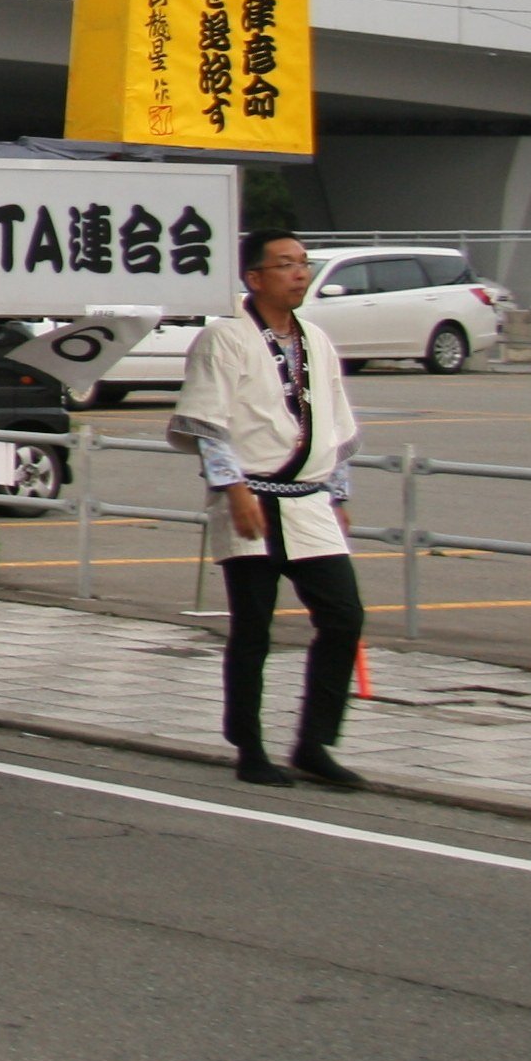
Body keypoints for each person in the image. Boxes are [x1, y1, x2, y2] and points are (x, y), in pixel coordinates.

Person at [175, 231, 368, 791]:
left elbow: (332, 422)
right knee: (253, 628)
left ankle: (313, 743)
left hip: (308, 500)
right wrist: (232, 490)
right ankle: (250, 745)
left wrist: (338, 494)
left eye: (303, 264)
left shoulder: (317, 339)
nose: (299, 273)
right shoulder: (225, 339)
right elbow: (210, 422)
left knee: (343, 616)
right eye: (285, 264)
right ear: (254, 278)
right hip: (251, 496)